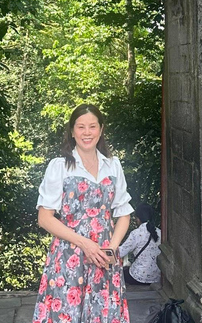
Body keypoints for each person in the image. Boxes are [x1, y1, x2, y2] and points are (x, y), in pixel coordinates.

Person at [32, 104, 134, 323]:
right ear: (72, 131)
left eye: (92, 126)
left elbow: (123, 213)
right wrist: (85, 244)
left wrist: (111, 250)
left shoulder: (113, 165)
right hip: (69, 255)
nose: (87, 132)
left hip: (104, 258)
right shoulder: (59, 166)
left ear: (101, 129)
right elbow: (45, 218)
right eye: (81, 127)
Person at [119, 203, 161, 285]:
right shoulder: (160, 233)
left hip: (138, 277)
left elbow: (120, 252)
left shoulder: (136, 234)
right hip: (156, 277)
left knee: (122, 273)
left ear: (138, 218)